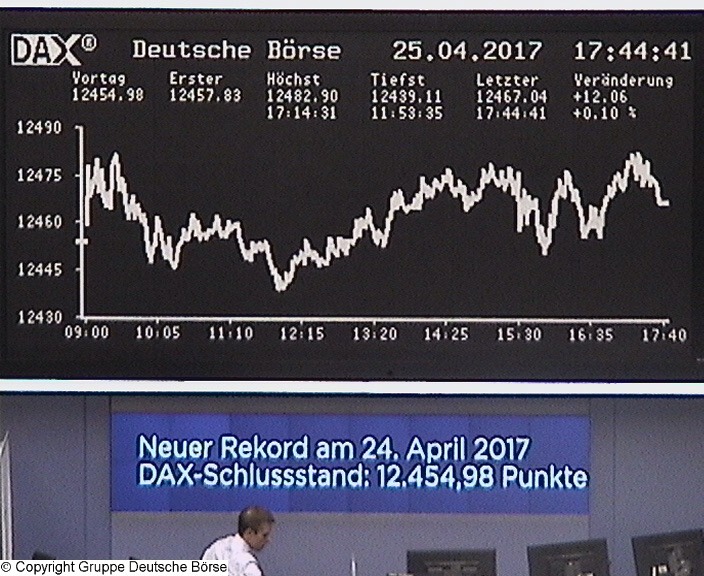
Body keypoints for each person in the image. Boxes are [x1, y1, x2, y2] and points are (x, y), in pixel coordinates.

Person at [201, 506, 275, 576]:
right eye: (264, 535)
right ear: (249, 533)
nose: (268, 540)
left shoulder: (217, 547)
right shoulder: (248, 566)